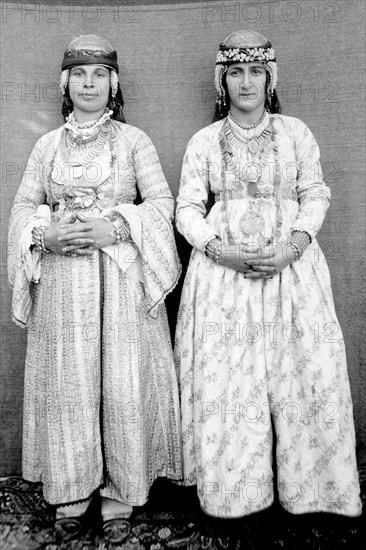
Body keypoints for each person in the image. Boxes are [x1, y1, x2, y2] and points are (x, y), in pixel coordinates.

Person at [174, 30, 361, 519]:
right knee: (232, 386)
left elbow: (315, 193)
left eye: (256, 71)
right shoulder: (204, 142)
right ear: (222, 81)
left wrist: (293, 247)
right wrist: (220, 251)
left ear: (270, 78)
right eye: (235, 72)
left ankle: (314, 493)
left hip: (292, 270)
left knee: (305, 373)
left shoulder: (296, 133)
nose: (246, 82)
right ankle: (237, 497)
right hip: (224, 279)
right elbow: (187, 209)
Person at [8, 35, 182, 543]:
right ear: (66, 83)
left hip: (122, 284)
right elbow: (21, 208)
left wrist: (120, 226)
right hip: (64, 285)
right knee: (71, 382)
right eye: (80, 74)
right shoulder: (47, 146)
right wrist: (46, 233)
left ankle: (121, 491)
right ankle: (72, 488)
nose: (90, 83)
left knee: (121, 379)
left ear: (114, 83)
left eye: (100, 74)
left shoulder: (135, 142)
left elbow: (164, 205)